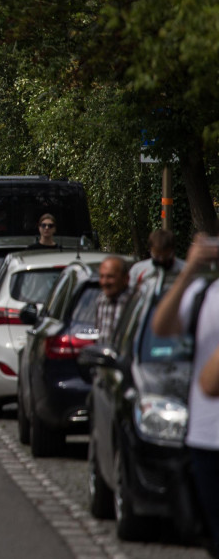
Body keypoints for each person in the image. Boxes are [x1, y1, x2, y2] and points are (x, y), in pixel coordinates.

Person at [152, 234, 219, 557]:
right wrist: (189, 269)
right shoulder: (204, 292)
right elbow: (161, 327)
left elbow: (210, 383)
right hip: (206, 437)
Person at [94, 256, 130, 342]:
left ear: (126, 278)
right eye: (102, 276)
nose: (104, 282)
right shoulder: (101, 300)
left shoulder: (134, 301)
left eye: (110, 277)